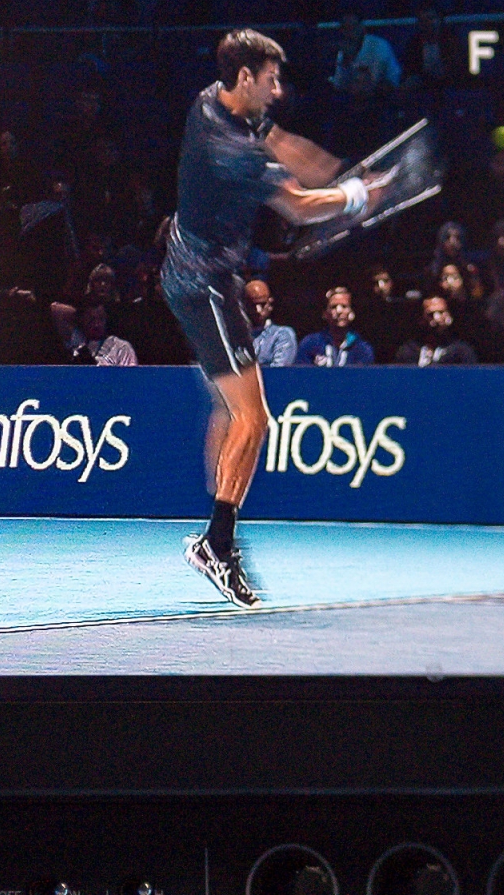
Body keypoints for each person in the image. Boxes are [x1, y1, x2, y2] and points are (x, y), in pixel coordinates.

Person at [162, 29, 388, 607]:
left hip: (210, 276)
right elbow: (295, 204)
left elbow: (287, 146)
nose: (278, 91)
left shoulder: (214, 98)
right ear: (245, 78)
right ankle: (216, 543)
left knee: (238, 414)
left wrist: (344, 174)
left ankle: (217, 535)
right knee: (253, 418)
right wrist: (355, 197)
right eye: (270, 80)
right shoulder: (229, 148)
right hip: (201, 285)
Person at [296, 286, 377, 367]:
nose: (339, 311)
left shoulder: (362, 349)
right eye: (333, 307)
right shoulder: (310, 343)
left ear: (352, 313)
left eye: (344, 306)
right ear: (325, 314)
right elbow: (300, 375)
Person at [328, 11, 403, 97]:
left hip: (383, 95)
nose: (349, 33)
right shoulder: (343, 50)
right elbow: (339, 85)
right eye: (345, 28)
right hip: (356, 98)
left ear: (361, 27)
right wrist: (346, 59)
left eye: (353, 27)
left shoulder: (378, 45)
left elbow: (375, 82)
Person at [396, 295, 478, 366]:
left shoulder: (462, 351)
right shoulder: (408, 350)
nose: (437, 318)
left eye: (441, 312)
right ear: (421, 319)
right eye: (430, 314)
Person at [62, 302, 137, 366]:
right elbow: (55, 308)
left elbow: (130, 378)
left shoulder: (121, 347)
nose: (96, 324)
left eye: (101, 318)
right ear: (83, 320)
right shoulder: (77, 341)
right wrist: (77, 314)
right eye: (91, 319)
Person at [244, 278, 297, 368]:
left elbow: (278, 372)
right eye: (253, 305)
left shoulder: (282, 335)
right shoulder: (235, 337)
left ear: (270, 304)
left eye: (262, 304)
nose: (258, 310)